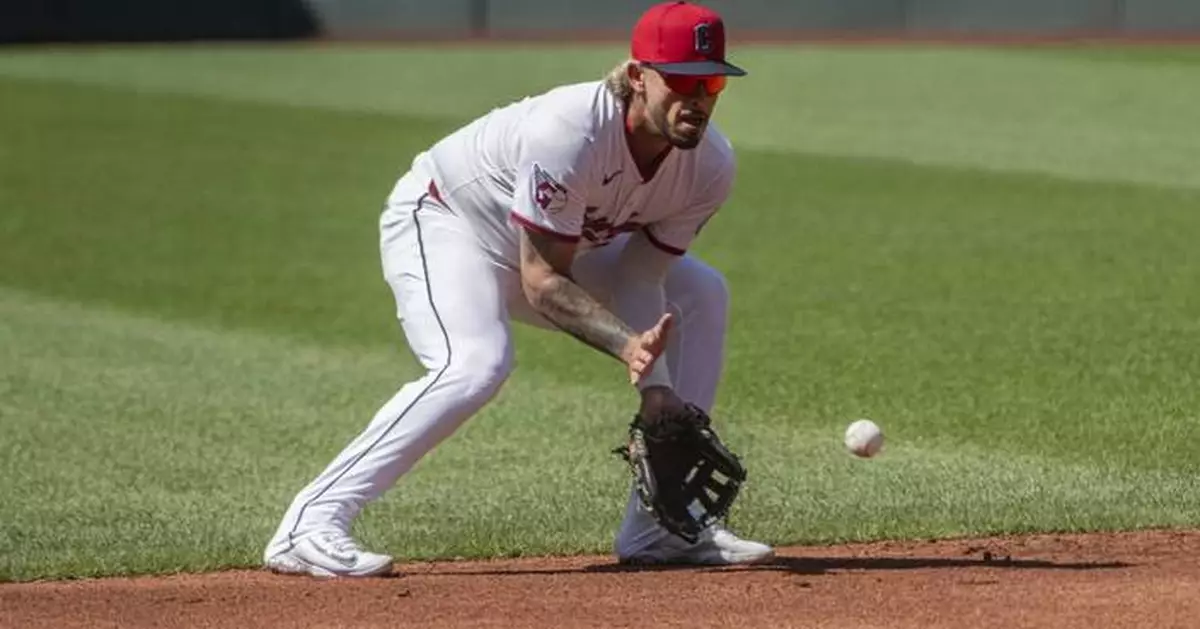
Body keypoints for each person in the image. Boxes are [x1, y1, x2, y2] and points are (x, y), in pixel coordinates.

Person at [263, 0, 775, 578]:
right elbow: (541, 282)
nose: (698, 98)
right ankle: (310, 523)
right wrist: (630, 348)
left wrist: (656, 390)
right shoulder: (572, 131)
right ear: (638, 76)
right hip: (449, 222)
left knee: (702, 292)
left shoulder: (710, 166)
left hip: (556, 249)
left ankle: (664, 529)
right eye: (681, 80)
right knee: (475, 363)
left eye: (711, 83)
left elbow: (640, 276)